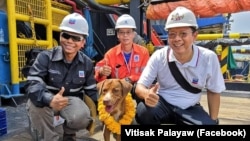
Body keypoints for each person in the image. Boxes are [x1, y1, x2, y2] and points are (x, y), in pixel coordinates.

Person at [135, 6, 226, 125]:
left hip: (190, 107)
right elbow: (139, 87)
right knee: (143, 112)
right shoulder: (159, 56)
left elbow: (213, 91)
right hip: (162, 103)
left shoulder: (209, 58)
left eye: (183, 34)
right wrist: (147, 94)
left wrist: (213, 120)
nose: (177, 39)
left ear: (194, 35)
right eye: (172, 34)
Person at [24, 13, 98, 141]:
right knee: (34, 105)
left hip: (70, 102)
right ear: (60, 36)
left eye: (76, 38)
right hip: (47, 102)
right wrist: (49, 99)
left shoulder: (86, 63)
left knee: (82, 116)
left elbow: (91, 91)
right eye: (66, 35)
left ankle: (68, 135)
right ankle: (50, 138)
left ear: (83, 42)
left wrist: (105, 107)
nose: (69, 40)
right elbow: (32, 84)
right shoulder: (45, 57)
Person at [94, 14, 150, 87]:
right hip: (118, 90)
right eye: (122, 32)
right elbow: (98, 70)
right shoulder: (111, 54)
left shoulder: (143, 52)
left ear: (133, 34)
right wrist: (101, 72)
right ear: (118, 35)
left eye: (128, 32)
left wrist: (130, 79)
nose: (125, 35)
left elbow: (146, 75)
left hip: (138, 88)